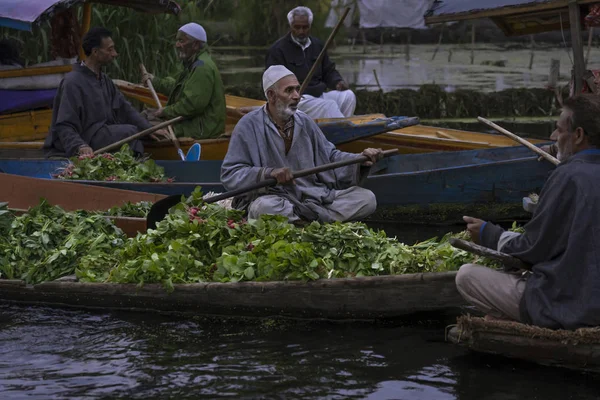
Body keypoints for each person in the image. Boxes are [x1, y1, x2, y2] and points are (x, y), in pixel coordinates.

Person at [455, 94, 600, 330]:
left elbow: (534, 248)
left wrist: (488, 234)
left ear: (579, 135)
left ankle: (517, 322)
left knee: (467, 276)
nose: (554, 137)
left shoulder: (567, 176)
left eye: (558, 130)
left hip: (571, 306)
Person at [221, 65, 381, 224]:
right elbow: (231, 173)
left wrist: (360, 160)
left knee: (367, 199)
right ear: (271, 95)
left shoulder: (304, 121)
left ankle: (305, 220)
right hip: (275, 198)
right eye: (289, 90)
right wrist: (268, 174)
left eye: (297, 89)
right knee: (263, 208)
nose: (297, 96)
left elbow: (331, 156)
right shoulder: (248, 125)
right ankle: (316, 220)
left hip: (312, 195)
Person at [43, 27, 166, 158]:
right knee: (130, 132)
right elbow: (64, 124)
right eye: (110, 49)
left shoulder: (104, 80)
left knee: (139, 135)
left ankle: (134, 166)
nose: (115, 54)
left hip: (103, 134)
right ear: (95, 52)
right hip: (86, 138)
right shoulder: (72, 82)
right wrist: (80, 146)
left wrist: (149, 128)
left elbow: (125, 109)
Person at [265, 6, 356, 119]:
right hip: (296, 100)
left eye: (305, 27)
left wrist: (338, 82)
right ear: (290, 26)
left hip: (318, 95)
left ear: (310, 26)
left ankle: (339, 129)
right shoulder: (278, 50)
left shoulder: (317, 45)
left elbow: (328, 71)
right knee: (329, 106)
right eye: (297, 27)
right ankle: (344, 130)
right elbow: (273, 82)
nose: (301, 31)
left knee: (348, 96)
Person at [142, 23, 226, 139]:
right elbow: (178, 87)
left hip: (202, 128)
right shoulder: (194, 63)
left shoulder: (202, 67)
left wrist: (166, 112)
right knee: (143, 117)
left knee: (146, 129)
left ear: (196, 44)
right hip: (194, 122)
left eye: (181, 41)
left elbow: (192, 105)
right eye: (177, 40)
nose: (177, 45)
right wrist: (155, 81)